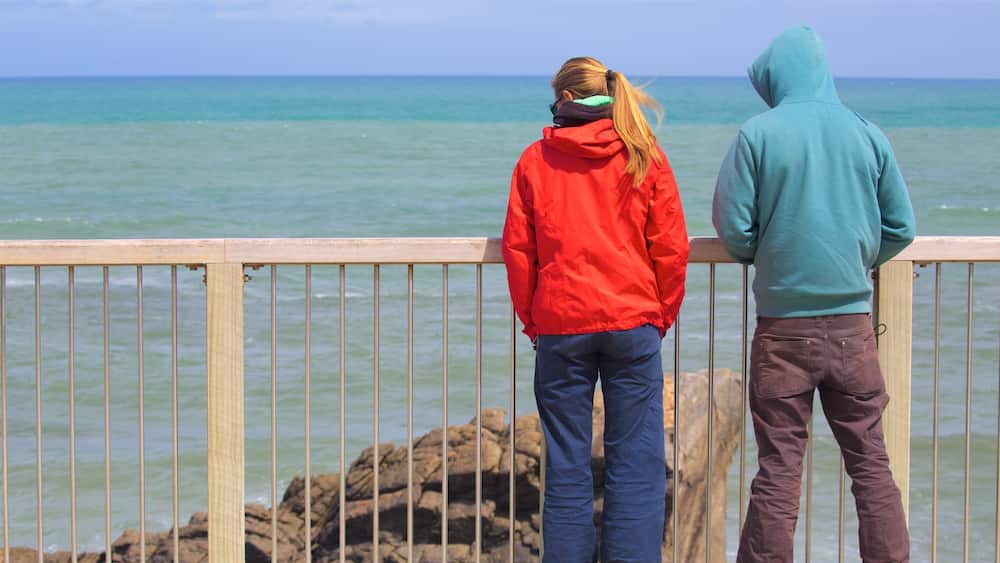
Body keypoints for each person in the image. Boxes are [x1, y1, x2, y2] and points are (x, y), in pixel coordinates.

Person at [713, 26, 916, 563]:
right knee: (871, 464)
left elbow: (734, 233)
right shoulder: (866, 132)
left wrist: (774, 252)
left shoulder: (756, 134)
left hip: (781, 330)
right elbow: (901, 227)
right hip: (853, 328)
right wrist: (856, 258)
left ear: (777, 79)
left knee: (779, 468)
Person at [502, 57, 689, 562]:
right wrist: (661, 315)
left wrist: (534, 321)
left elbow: (519, 252)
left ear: (564, 100)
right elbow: (671, 248)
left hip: (562, 325)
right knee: (636, 466)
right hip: (633, 323)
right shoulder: (643, 154)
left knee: (566, 468)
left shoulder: (535, 161)